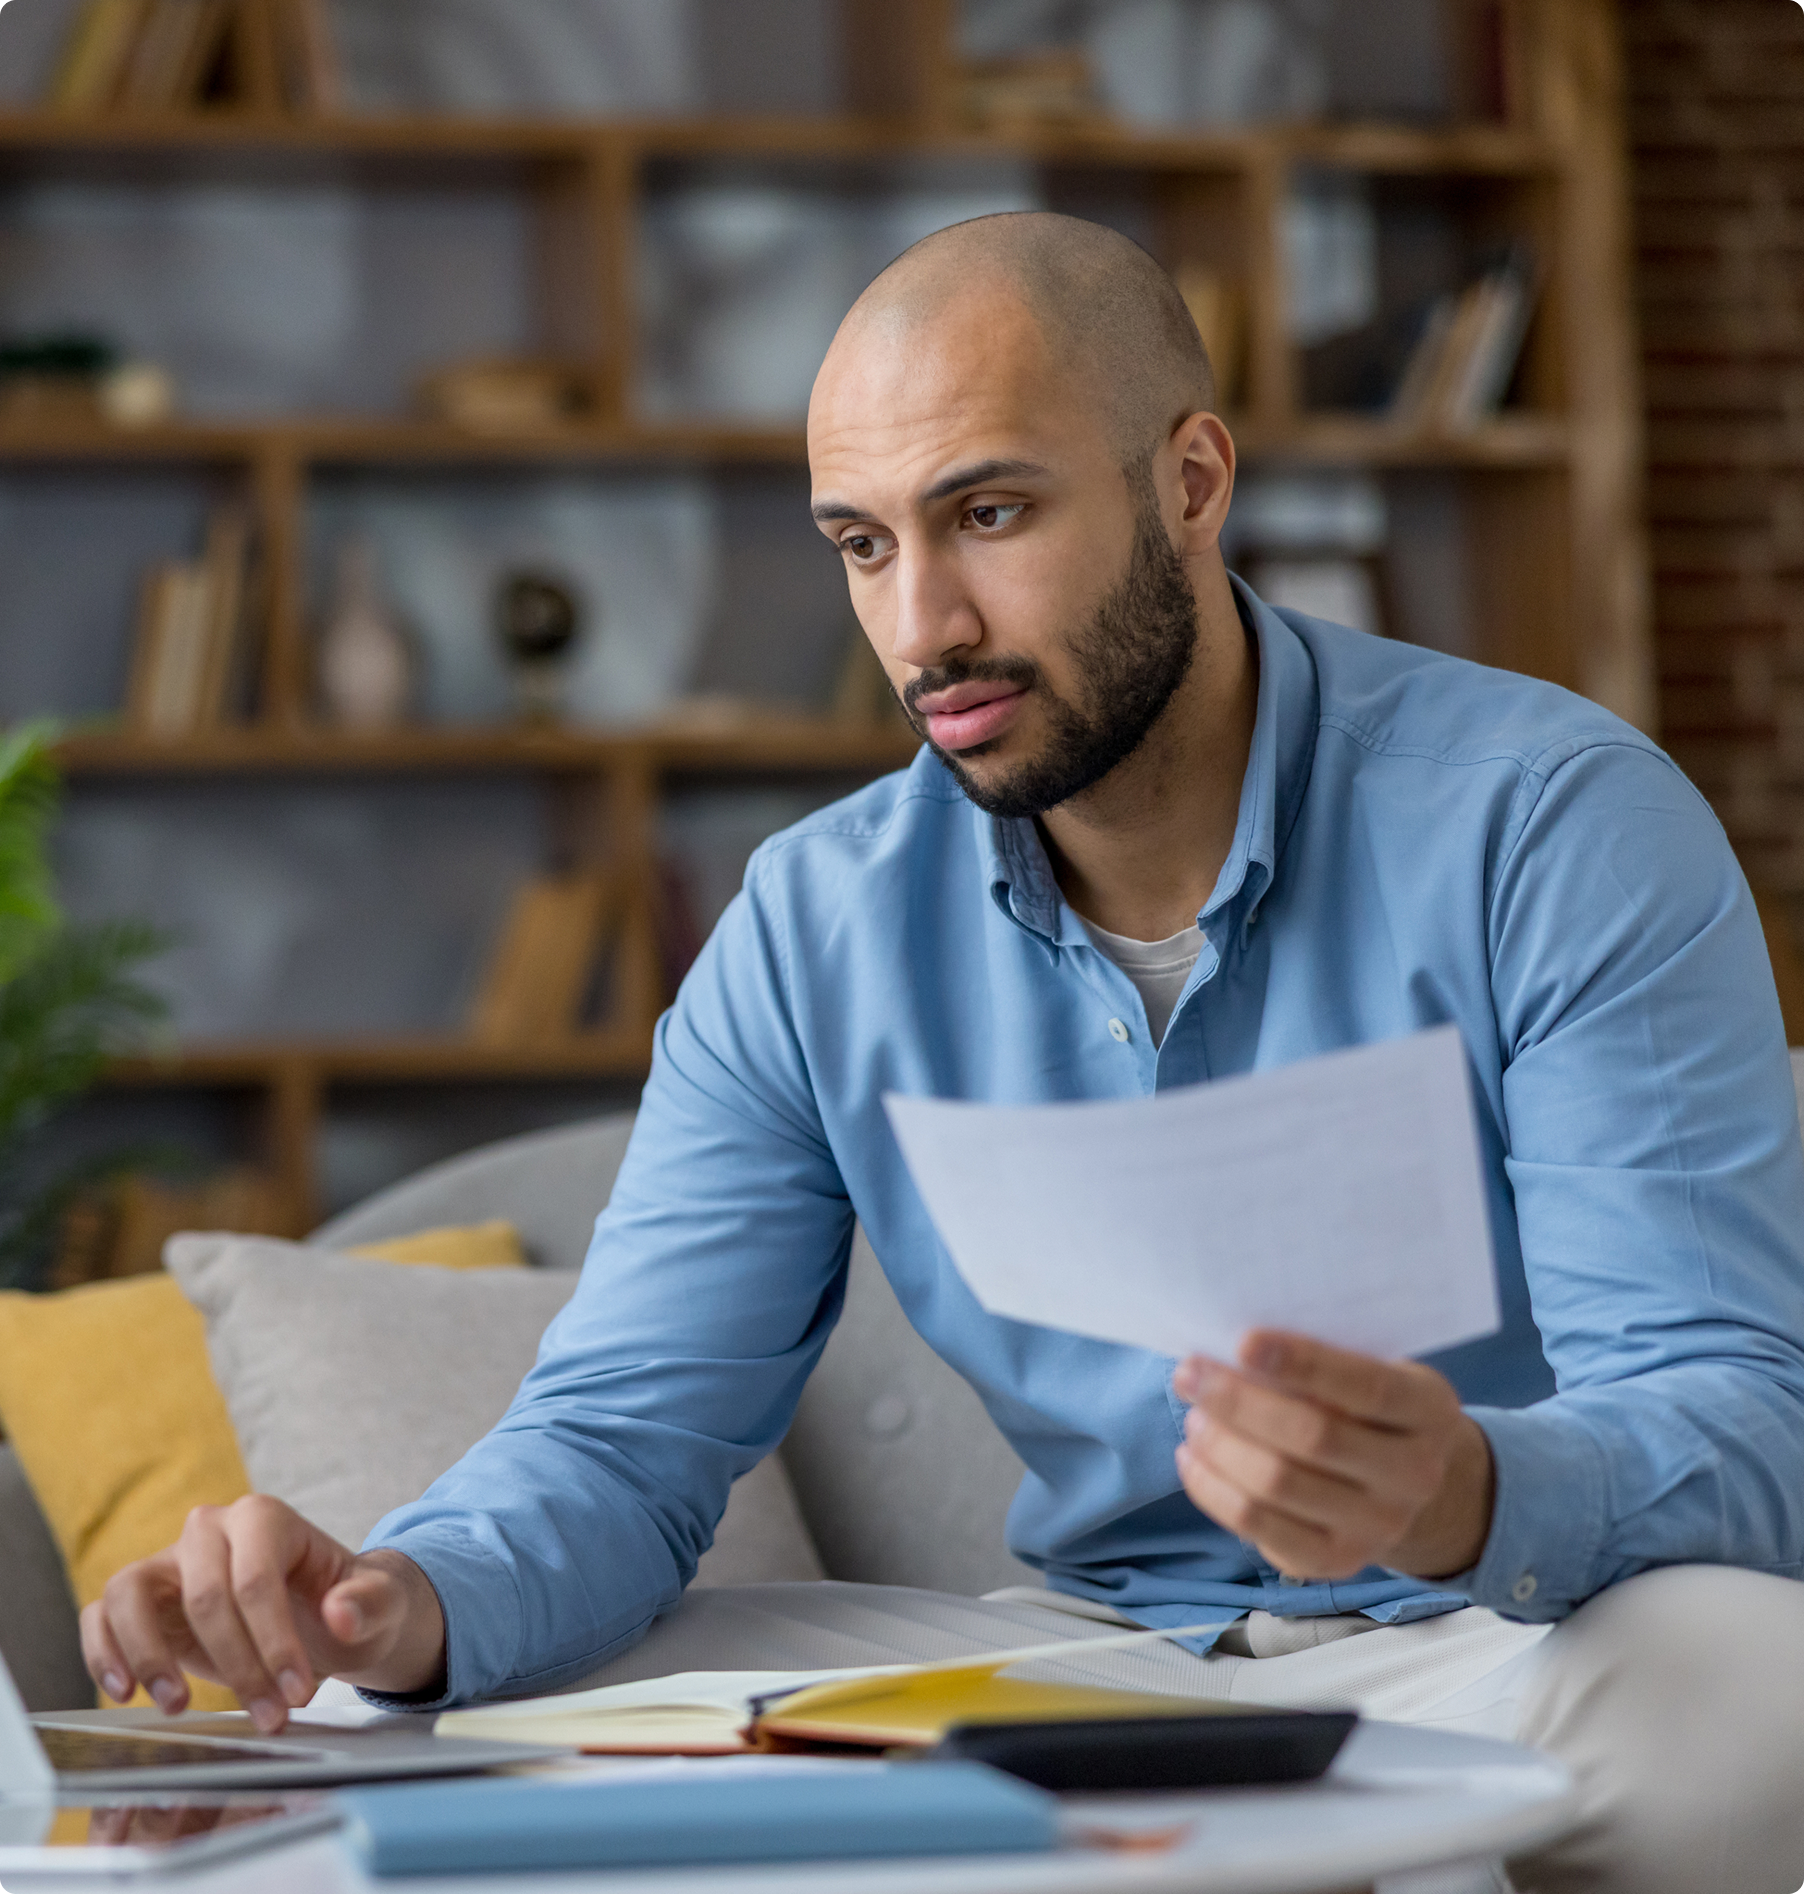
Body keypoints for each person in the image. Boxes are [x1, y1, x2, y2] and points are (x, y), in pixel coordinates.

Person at [84, 214, 1804, 1893]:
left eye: (988, 512)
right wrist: (399, 1602)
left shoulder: (1550, 823)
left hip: (1499, 1634)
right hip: (1089, 1667)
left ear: (1191, 482)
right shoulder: (814, 923)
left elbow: (1739, 1418)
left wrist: (1465, 1489)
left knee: (1755, 1699)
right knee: (497, 1711)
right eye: (864, 543)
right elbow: (621, 1439)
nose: (925, 629)